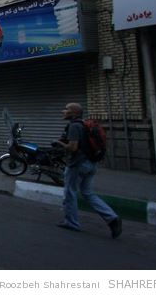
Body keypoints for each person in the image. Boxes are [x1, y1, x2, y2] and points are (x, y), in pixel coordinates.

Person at [56, 102, 122, 238]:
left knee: (70, 192)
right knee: (88, 193)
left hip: (77, 165)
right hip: (91, 164)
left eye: (66, 109)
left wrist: (59, 143)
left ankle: (71, 223)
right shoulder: (84, 124)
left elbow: (73, 147)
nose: (63, 111)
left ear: (74, 113)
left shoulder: (74, 126)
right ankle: (112, 218)